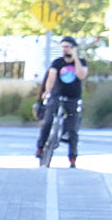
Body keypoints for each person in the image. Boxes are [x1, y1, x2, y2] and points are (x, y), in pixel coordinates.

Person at [38, 35, 89, 167]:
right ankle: (41, 147)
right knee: (47, 122)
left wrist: (75, 58)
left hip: (73, 98)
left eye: (67, 47)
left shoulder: (81, 62)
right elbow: (51, 77)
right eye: (63, 47)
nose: (64, 49)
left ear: (74, 48)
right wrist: (47, 91)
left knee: (73, 130)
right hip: (57, 96)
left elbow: (81, 75)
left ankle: (72, 157)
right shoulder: (57, 62)